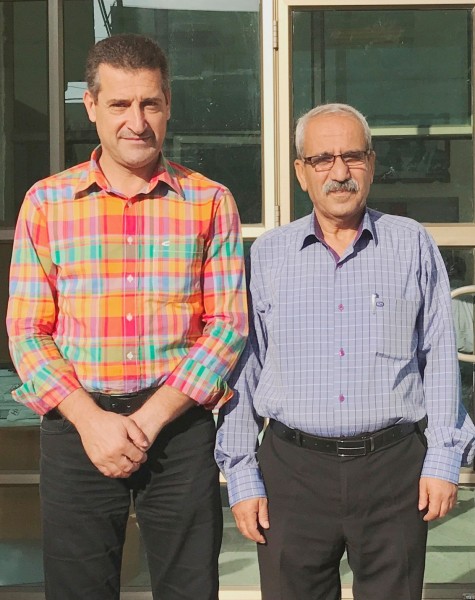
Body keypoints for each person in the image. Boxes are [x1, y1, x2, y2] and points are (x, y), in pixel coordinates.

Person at [7, 34, 247, 600]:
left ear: (168, 104)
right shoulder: (46, 203)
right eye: (119, 104)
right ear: (91, 106)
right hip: (77, 428)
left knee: (190, 588)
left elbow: (227, 325)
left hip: (178, 428)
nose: (136, 122)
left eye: (149, 104)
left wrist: (151, 418)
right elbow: (27, 331)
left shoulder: (210, 201)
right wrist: (92, 421)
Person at [215, 103, 475, 600]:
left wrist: (443, 458)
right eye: (322, 159)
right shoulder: (268, 256)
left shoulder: (411, 244)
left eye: (353, 157)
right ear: (301, 172)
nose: (339, 172)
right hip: (292, 472)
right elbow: (245, 369)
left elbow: (440, 355)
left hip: (393, 470)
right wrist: (242, 474)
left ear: (371, 164)